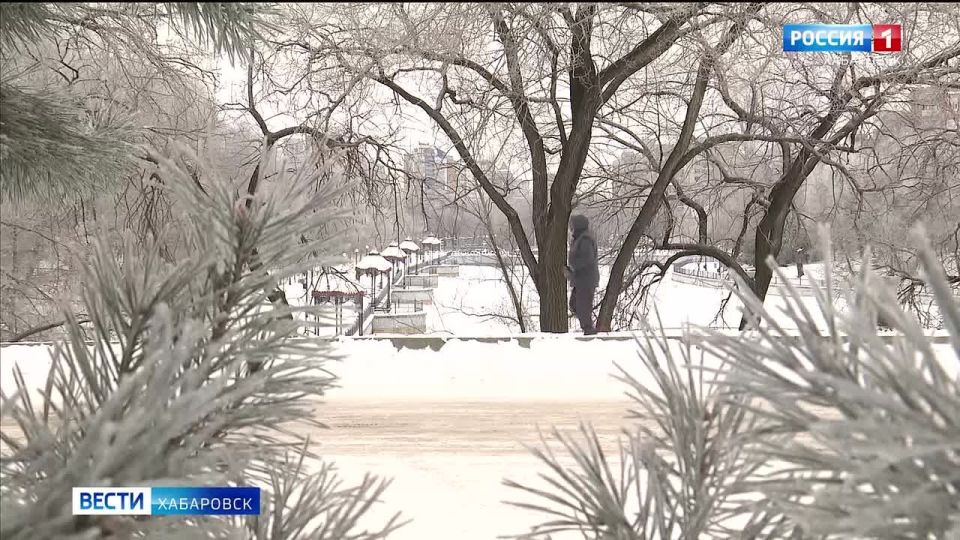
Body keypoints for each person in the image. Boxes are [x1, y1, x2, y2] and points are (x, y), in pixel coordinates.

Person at [565, 214, 600, 335]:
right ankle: (587, 327)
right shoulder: (579, 238)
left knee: (582, 305)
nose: (570, 228)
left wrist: (573, 267)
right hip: (581, 279)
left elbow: (586, 258)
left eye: (572, 225)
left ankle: (588, 330)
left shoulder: (585, 239)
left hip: (586, 279)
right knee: (575, 304)